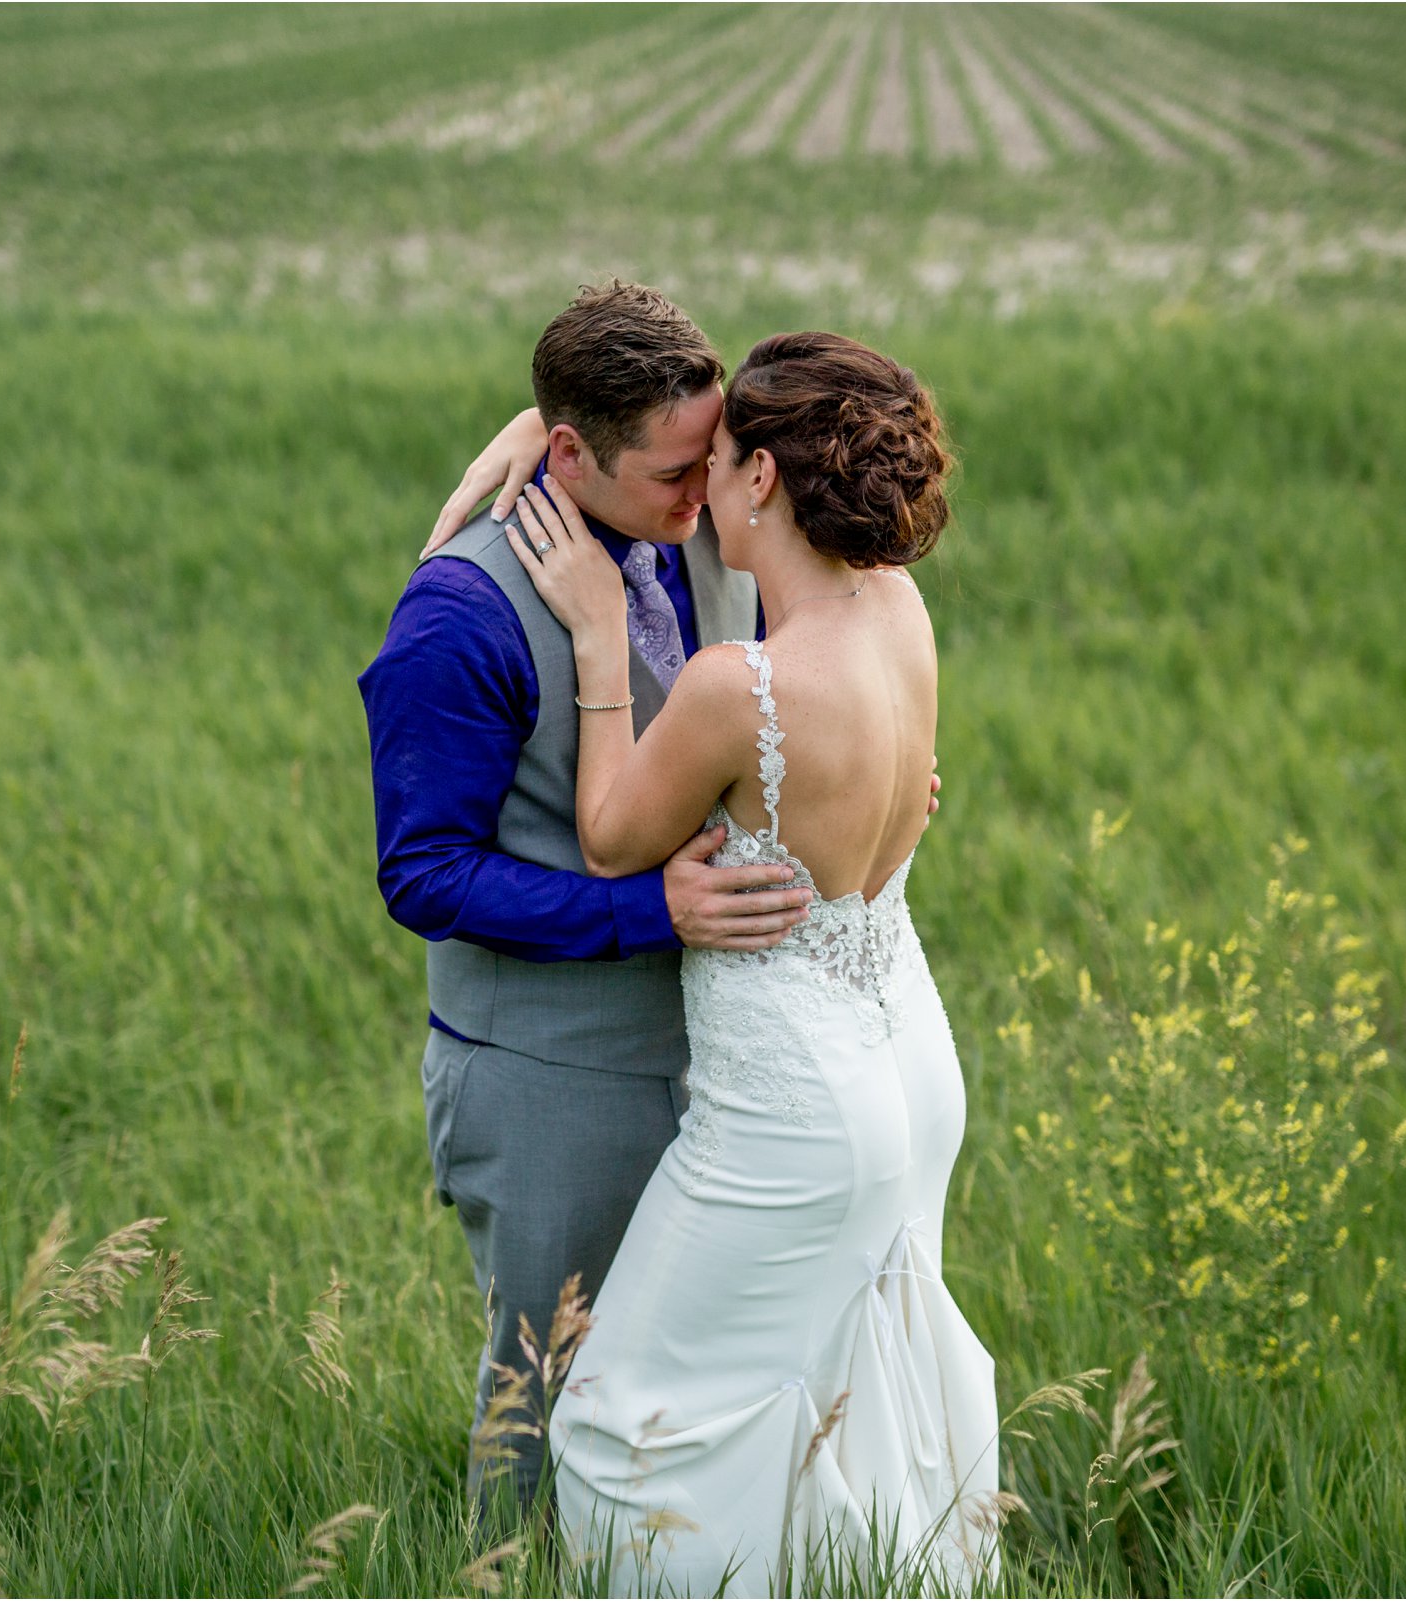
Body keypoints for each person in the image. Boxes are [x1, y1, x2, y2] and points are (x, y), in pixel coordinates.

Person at [491, 331, 1000, 1596]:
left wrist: (605, 639)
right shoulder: (895, 606)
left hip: (789, 1112)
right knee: (835, 1377)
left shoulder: (737, 686)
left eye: (711, 460)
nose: (690, 489)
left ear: (762, 476)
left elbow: (611, 835)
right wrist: (532, 431)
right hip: (905, 1059)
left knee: (621, 1422)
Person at [360, 282, 841, 1516]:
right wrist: (647, 915)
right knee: (547, 1390)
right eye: (674, 476)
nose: (709, 497)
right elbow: (422, 874)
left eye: (711, 461)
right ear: (570, 450)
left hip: (732, 1054)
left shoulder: (699, 510)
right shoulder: (456, 618)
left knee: (696, 1385)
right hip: (549, 1076)